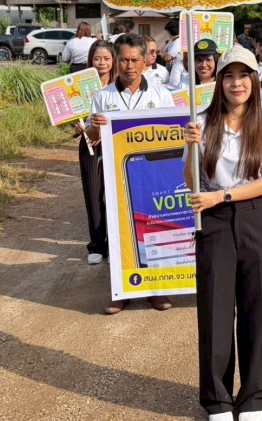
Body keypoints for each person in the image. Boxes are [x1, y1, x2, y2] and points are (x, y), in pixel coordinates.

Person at [183, 45, 262, 421]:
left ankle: (254, 399)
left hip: (253, 216)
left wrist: (223, 195)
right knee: (214, 310)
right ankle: (218, 401)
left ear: (254, 81)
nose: (236, 83)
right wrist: (191, 148)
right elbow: (191, 181)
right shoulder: (201, 122)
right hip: (213, 221)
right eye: (229, 76)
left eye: (244, 76)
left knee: (256, 309)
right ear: (220, 82)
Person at [86, 34, 177, 314]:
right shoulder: (103, 96)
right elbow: (91, 137)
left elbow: (173, 135)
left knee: (152, 229)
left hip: (153, 176)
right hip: (116, 176)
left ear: (144, 60)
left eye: (135, 60)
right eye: (124, 60)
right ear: (116, 61)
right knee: (118, 231)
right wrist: (95, 127)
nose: (129, 66)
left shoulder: (161, 94)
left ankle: (156, 290)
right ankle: (121, 290)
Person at [74, 40, 116, 265]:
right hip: (89, 142)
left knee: (115, 193)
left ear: (113, 61)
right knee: (93, 192)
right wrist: (76, 125)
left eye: (106, 58)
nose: (102, 63)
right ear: (90, 60)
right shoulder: (79, 87)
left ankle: (115, 246)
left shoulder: (118, 86)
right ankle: (97, 245)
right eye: (97, 58)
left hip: (115, 143)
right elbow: (72, 115)